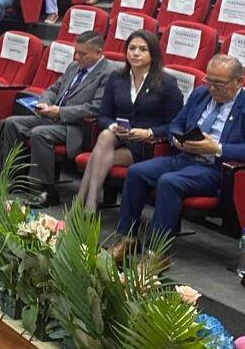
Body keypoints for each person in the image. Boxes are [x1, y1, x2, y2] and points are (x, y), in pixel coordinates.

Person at [114, 55, 245, 242]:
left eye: (219, 84)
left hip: (213, 169)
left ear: (239, 82)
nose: (212, 88)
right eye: (209, 81)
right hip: (183, 157)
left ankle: (155, 250)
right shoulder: (200, 95)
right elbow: (176, 124)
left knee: (169, 182)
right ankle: (126, 238)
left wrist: (217, 148)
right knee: (135, 172)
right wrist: (176, 139)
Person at [0, 31, 113, 206]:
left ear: (98, 53)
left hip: (76, 126)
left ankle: (46, 190)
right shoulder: (73, 66)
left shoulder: (108, 73)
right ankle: (13, 177)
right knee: (11, 123)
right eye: (76, 52)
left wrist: (60, 112)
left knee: (40, 133)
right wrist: (44, 103)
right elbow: (53, 89)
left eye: (82, 54)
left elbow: (96, 107)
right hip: (53, 116)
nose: (77, 57)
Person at [76, 30, 183, 213]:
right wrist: (113, 126)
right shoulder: (117, 77)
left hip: (146, 145)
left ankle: (82, 204)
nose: (136, 53)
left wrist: (149, 132)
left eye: (142, 49)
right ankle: (89, 204)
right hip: (118, 138)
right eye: (132, 48)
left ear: (153, 54)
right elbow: (103, 115)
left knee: (97, 156)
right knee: (106, 135)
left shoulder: (167, 83)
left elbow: (176, 125)